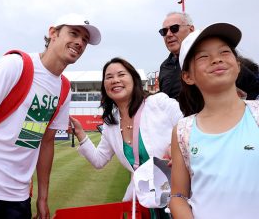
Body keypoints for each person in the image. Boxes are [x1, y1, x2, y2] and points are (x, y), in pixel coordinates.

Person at [0, 13, 101, 219]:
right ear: (53, 33)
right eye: (74, 33)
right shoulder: (15, 65)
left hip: (20, 200)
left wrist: (42, 198)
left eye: (85, 40)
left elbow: (47, 142)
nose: (79, 42)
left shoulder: (64, 88)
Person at [70, 57, 182, 218]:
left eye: (121, 74)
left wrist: (175, 146)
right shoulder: (111, 123)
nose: (115, 80)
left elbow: (191, 126)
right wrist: (80, 133)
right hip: (143, 203)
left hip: (178, 196)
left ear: (134, 79)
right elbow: (99, 160)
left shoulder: (158, 103)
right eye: (109, 77)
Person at [170, 23, 259, 218]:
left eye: (225, 52)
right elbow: (178, 195)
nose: (217, 59)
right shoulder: (183, 131)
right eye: (203, 56)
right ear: (187, 76)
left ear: (238, 66)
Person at [158, 12, 195, 99]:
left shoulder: (204, 58)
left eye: (174, 28)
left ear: (191, 29)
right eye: (164, 31)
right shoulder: (164, 66)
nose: (168, 34)